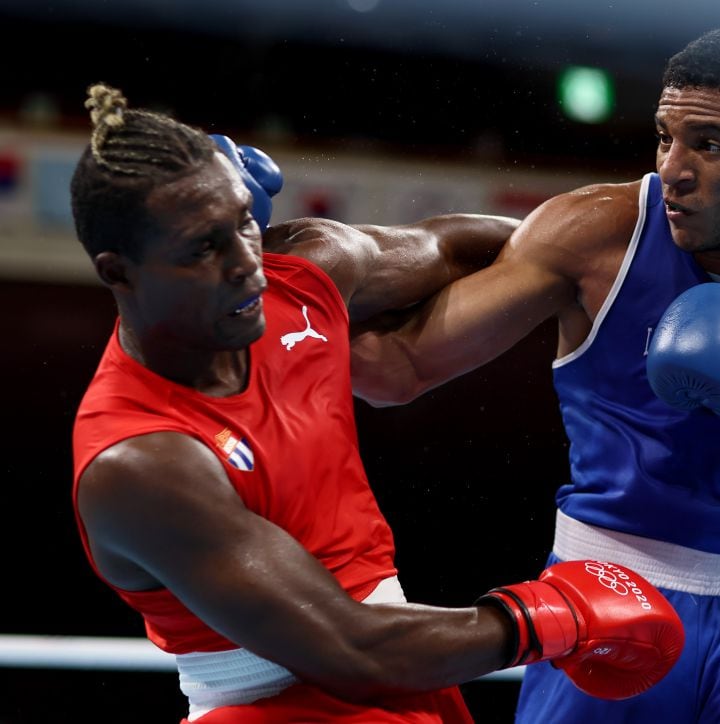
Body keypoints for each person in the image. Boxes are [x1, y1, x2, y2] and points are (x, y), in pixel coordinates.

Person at [350, 24, 720, 722]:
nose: (674, 168)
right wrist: (270, 306)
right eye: (664, 136)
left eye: (708, 145)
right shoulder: (597, 236)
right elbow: (398, 368)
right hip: (605, 604)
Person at [69, 83, 685, 723]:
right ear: (118, 272)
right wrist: (555, 616)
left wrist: (618, 267)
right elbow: (351, 648)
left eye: (244, 225)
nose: (246, 264)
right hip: (291, 699)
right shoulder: (142, 460)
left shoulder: (298, 279)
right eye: (203, 246)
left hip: (408, 672)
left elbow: (463, 248)